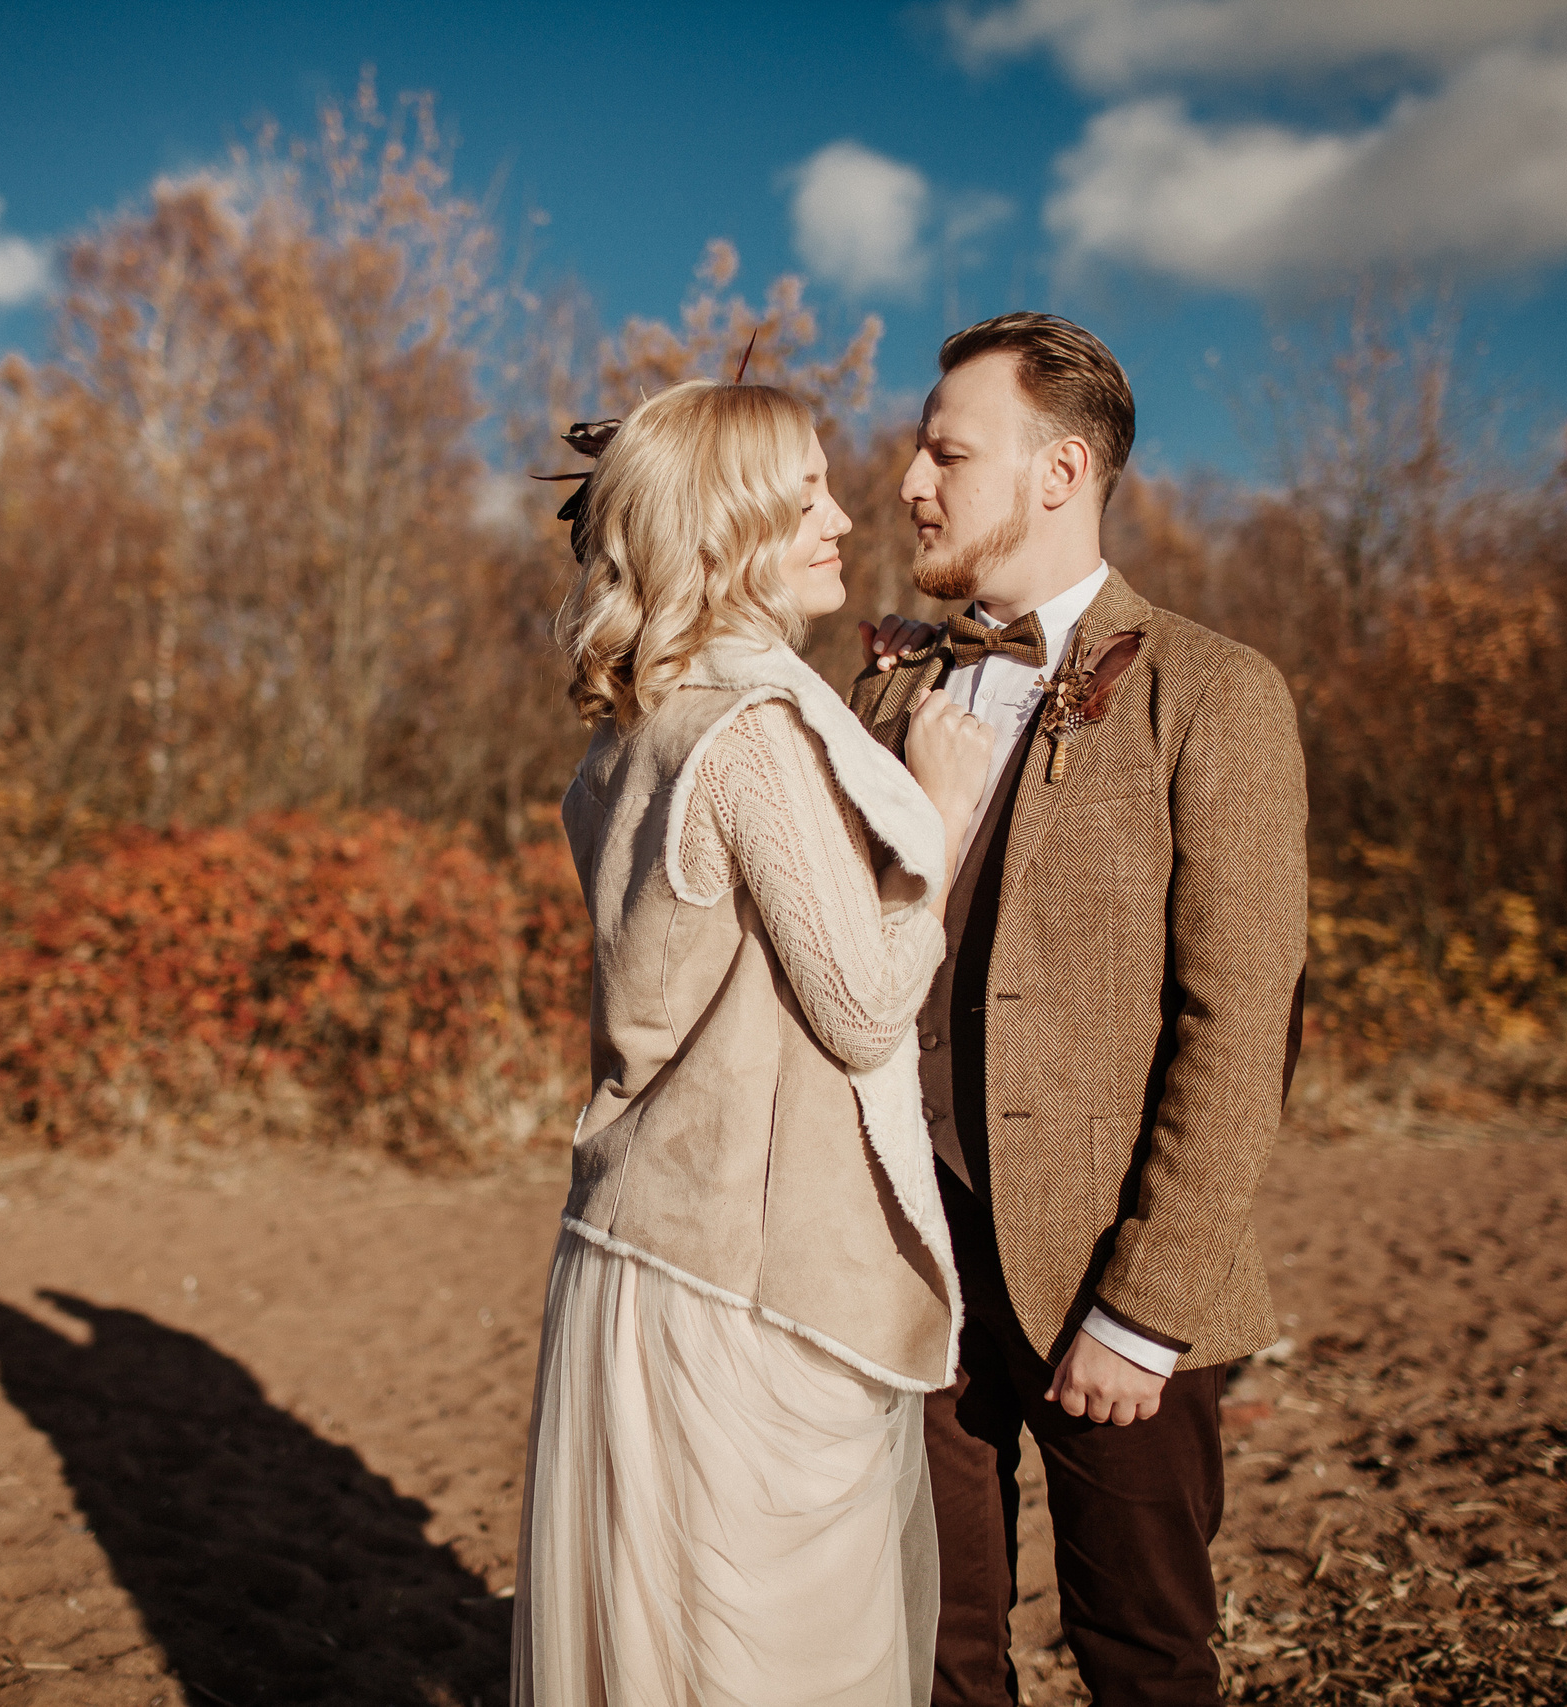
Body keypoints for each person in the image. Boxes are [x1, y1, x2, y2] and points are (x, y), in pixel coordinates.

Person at [512, 376, 1003, 1706]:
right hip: (744, 1284)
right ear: (732, 528)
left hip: (631, 1252)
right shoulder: (755, 737)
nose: (845, 519)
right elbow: (859, 1007)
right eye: (806, 501)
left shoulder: (629, 735)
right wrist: (941, 816)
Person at [850, 313, 1308, 1707]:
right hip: (908, 1270)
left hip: (1110, 1289)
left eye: (946, 451)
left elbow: (1242, 1024)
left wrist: (1146, 1310)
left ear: (1059, 472)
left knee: (1147, 1660)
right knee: (932, 1651)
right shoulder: (883, 688)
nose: (911, 482)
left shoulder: (1213, 694)